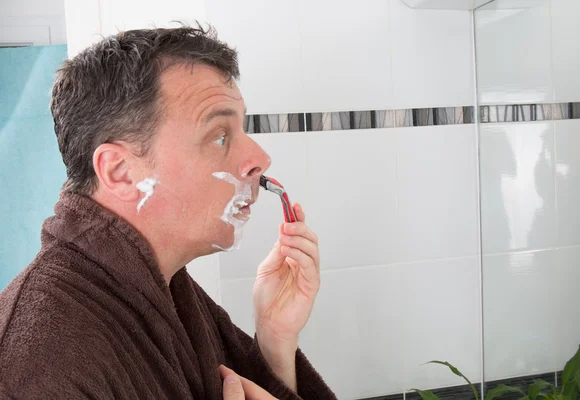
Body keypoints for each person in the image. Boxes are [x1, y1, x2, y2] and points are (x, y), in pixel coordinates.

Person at [0, 25, 336, 400]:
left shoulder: (166, 290)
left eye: (243, 129)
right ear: (120, 172)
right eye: (220, 135)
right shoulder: (38, 365)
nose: (259, 158)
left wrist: (275, 343)